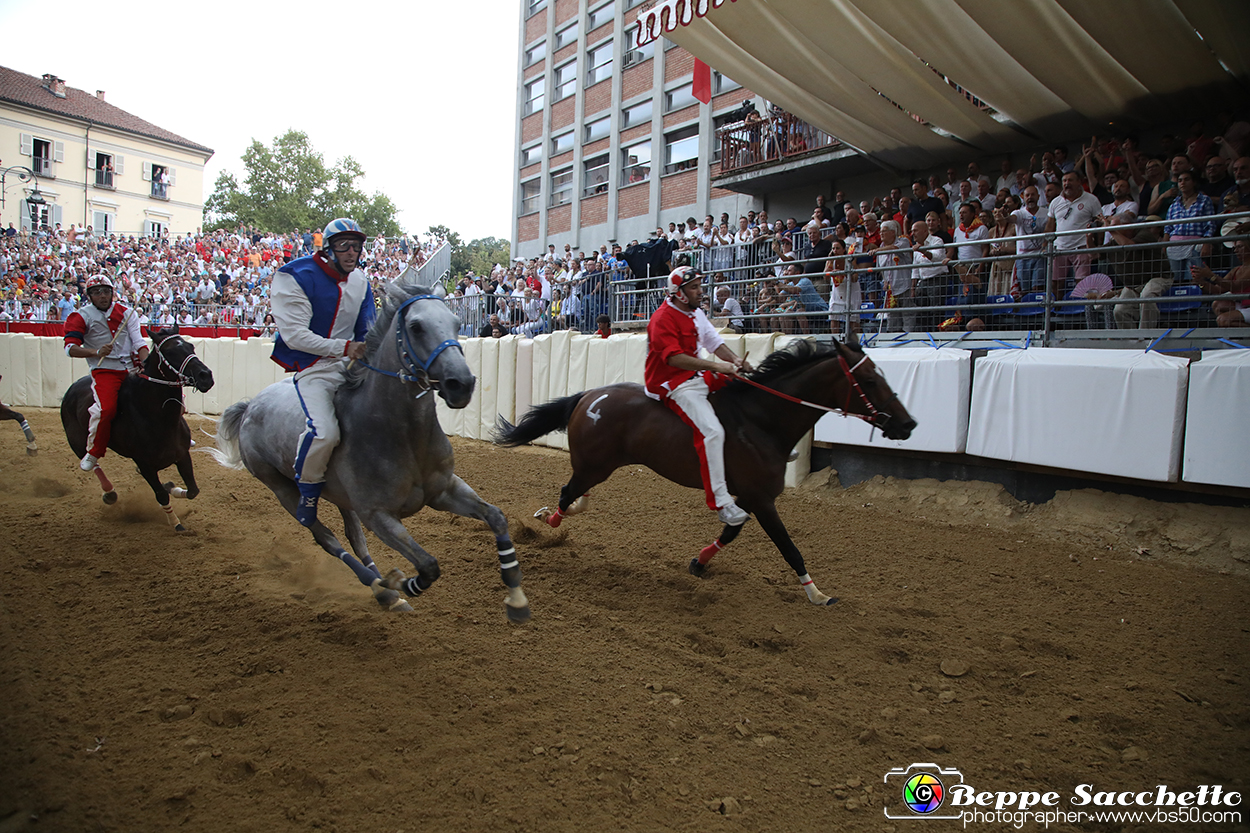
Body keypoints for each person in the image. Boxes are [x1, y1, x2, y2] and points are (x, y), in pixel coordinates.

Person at [270, 218, 376, 527]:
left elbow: (368, 327)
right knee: (325, 432)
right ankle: (308, 490)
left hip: (354, 364)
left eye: (356, 246)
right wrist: (345, 348)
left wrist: (370, 347)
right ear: (328, 248)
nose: (351, 252)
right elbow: (295, 336)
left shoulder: (361, 281)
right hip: (314, 367)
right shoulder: (293, 275)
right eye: (343, 245)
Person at [645, 267, 753, 527]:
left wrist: (736, 361)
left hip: (694, 375)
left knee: (745, 386)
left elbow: (714, 343)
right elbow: (673, 358)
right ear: (679, 294)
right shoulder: (661, 319)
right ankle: (722, 503)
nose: (700, 291)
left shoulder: (697, 313)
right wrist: (717, 367)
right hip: (670, 383)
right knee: (712, 432)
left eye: (699, 285)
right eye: (694, 287)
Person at [62, 275, 149, 472]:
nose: (102, 296)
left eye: (106, 291)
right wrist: (95, 352)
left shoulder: (128, 312)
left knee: (164, 392)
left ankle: (176, 435)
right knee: (105, 409)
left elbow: (139, 342)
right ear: (90, 296)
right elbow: (70, 349)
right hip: (104, 370)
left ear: (112, 292)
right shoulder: (81, 316)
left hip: (132, 367)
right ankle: (94, 451)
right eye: (96, 292)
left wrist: (148, 363)